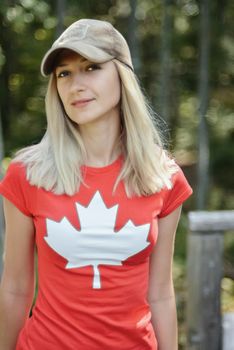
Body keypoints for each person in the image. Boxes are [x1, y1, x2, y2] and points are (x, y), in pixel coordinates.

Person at [0, 18, 192, 350]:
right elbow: (15, 287)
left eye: (91, 68)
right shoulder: (27, 174)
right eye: (65, 73)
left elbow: (160, 292)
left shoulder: (163, 177)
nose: (76, 84)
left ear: (122, 75)